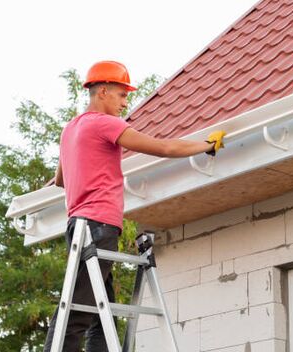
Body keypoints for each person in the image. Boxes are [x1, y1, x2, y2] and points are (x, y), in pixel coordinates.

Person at [43, 60, 225, 351]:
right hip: (99, 226)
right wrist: (206, 145)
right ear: (103, 91)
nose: (125, 103)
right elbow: (164, 148)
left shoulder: (70, 129)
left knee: (102, 317)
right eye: (122, 94)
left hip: (78, 227)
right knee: (76, 314)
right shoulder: (106, 124)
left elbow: (60, 180)